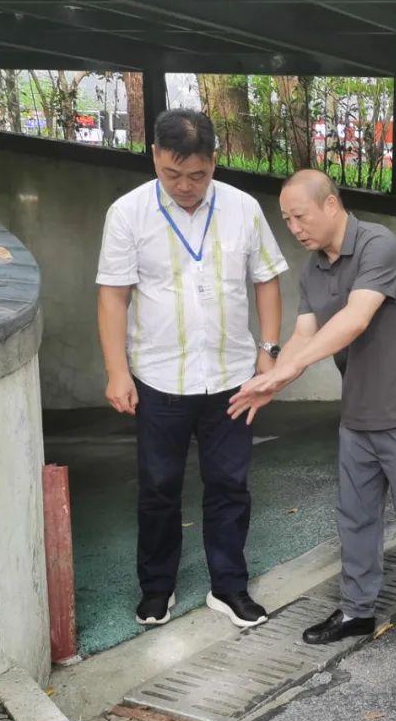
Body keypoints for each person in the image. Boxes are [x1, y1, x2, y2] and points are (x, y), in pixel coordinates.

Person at [228, 170, 396, 669]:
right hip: (359, 416)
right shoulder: (313, 269)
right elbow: (305, 333)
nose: (294, 227)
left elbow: (354, 319)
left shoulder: (379, 247)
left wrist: (289, 370)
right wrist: (273, 381)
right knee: (356, 521)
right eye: (286, 219)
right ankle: (357, 612)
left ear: (331, 205)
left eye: (299, 216)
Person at [96, 108, 287, 630]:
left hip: (231, 375)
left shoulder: (243, 208)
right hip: (160, 377)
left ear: (214, 163)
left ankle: (229, 588)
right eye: (173, 173)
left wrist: (268, 353)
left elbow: (267, 280)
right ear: (155, 156)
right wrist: (117, 371)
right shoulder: (128, 213)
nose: (185, 186)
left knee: (230, 484)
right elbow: (113, 298)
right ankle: (157, 589)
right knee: (158, 487)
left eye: (198, 175)